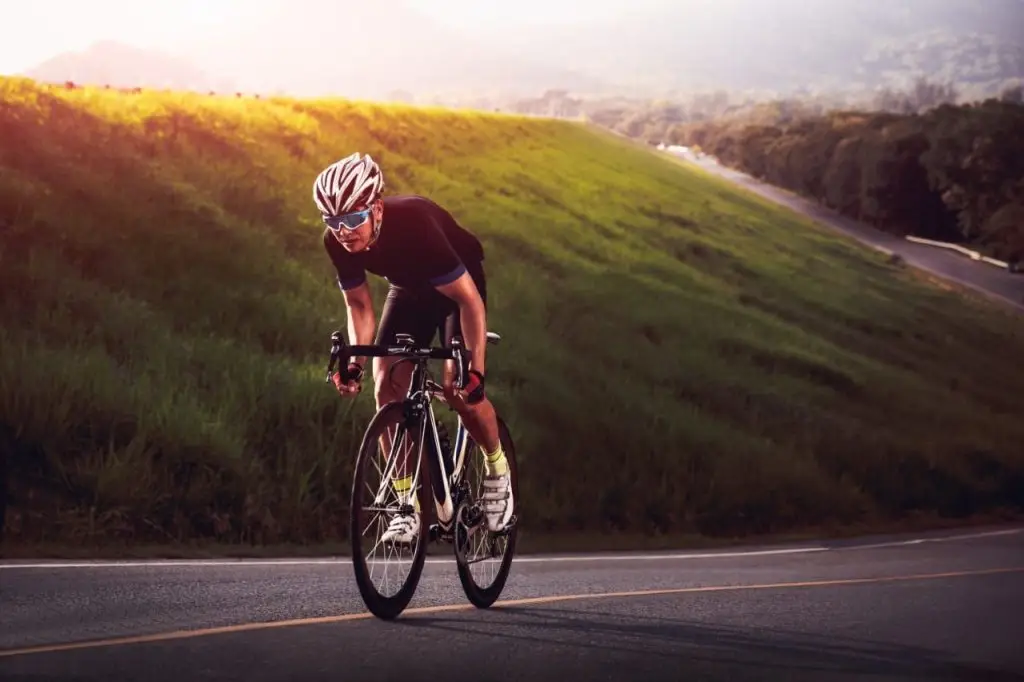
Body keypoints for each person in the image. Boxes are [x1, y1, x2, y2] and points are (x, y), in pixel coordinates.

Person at [313, 151, 513, 544]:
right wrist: (353, 362)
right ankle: (406, 505)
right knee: (386, 383)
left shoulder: (417, 224)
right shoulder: (337, 241)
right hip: (408, 288)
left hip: (457, 286)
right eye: (333, 222)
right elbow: (359, 306)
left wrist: (477, 371)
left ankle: (497, 470)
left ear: (376, 208)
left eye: (353, 219)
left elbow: (469, 302)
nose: (344, 231)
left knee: (460, 389)